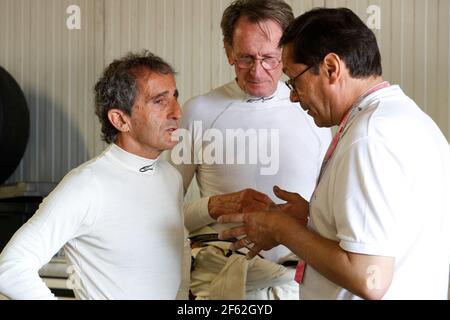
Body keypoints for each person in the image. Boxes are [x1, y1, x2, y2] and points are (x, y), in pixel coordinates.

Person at [219, 7, 450, 300]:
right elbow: (386, 234)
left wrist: (279, 228)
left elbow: (369, 278)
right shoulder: (410, 119)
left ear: (331, 68)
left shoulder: (368, 139)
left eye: (294, 81)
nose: (291, 96)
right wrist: (316, 219)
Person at [172, 0, 331, 300]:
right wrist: (212, 205)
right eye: (245, 57)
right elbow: (161, 214)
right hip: (219, 284)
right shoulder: (197, 112)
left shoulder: (316, 113)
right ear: (228, 51)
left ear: (288, 51)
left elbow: (331, 217)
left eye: (270, 58)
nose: (258, 72)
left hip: (297, 285)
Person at [0, 51, 191, 300]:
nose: (176, 111)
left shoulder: (170, 177)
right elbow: (9, 268)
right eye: (159, 101)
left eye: (174, 96)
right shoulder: (88, 185)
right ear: (121, 119)